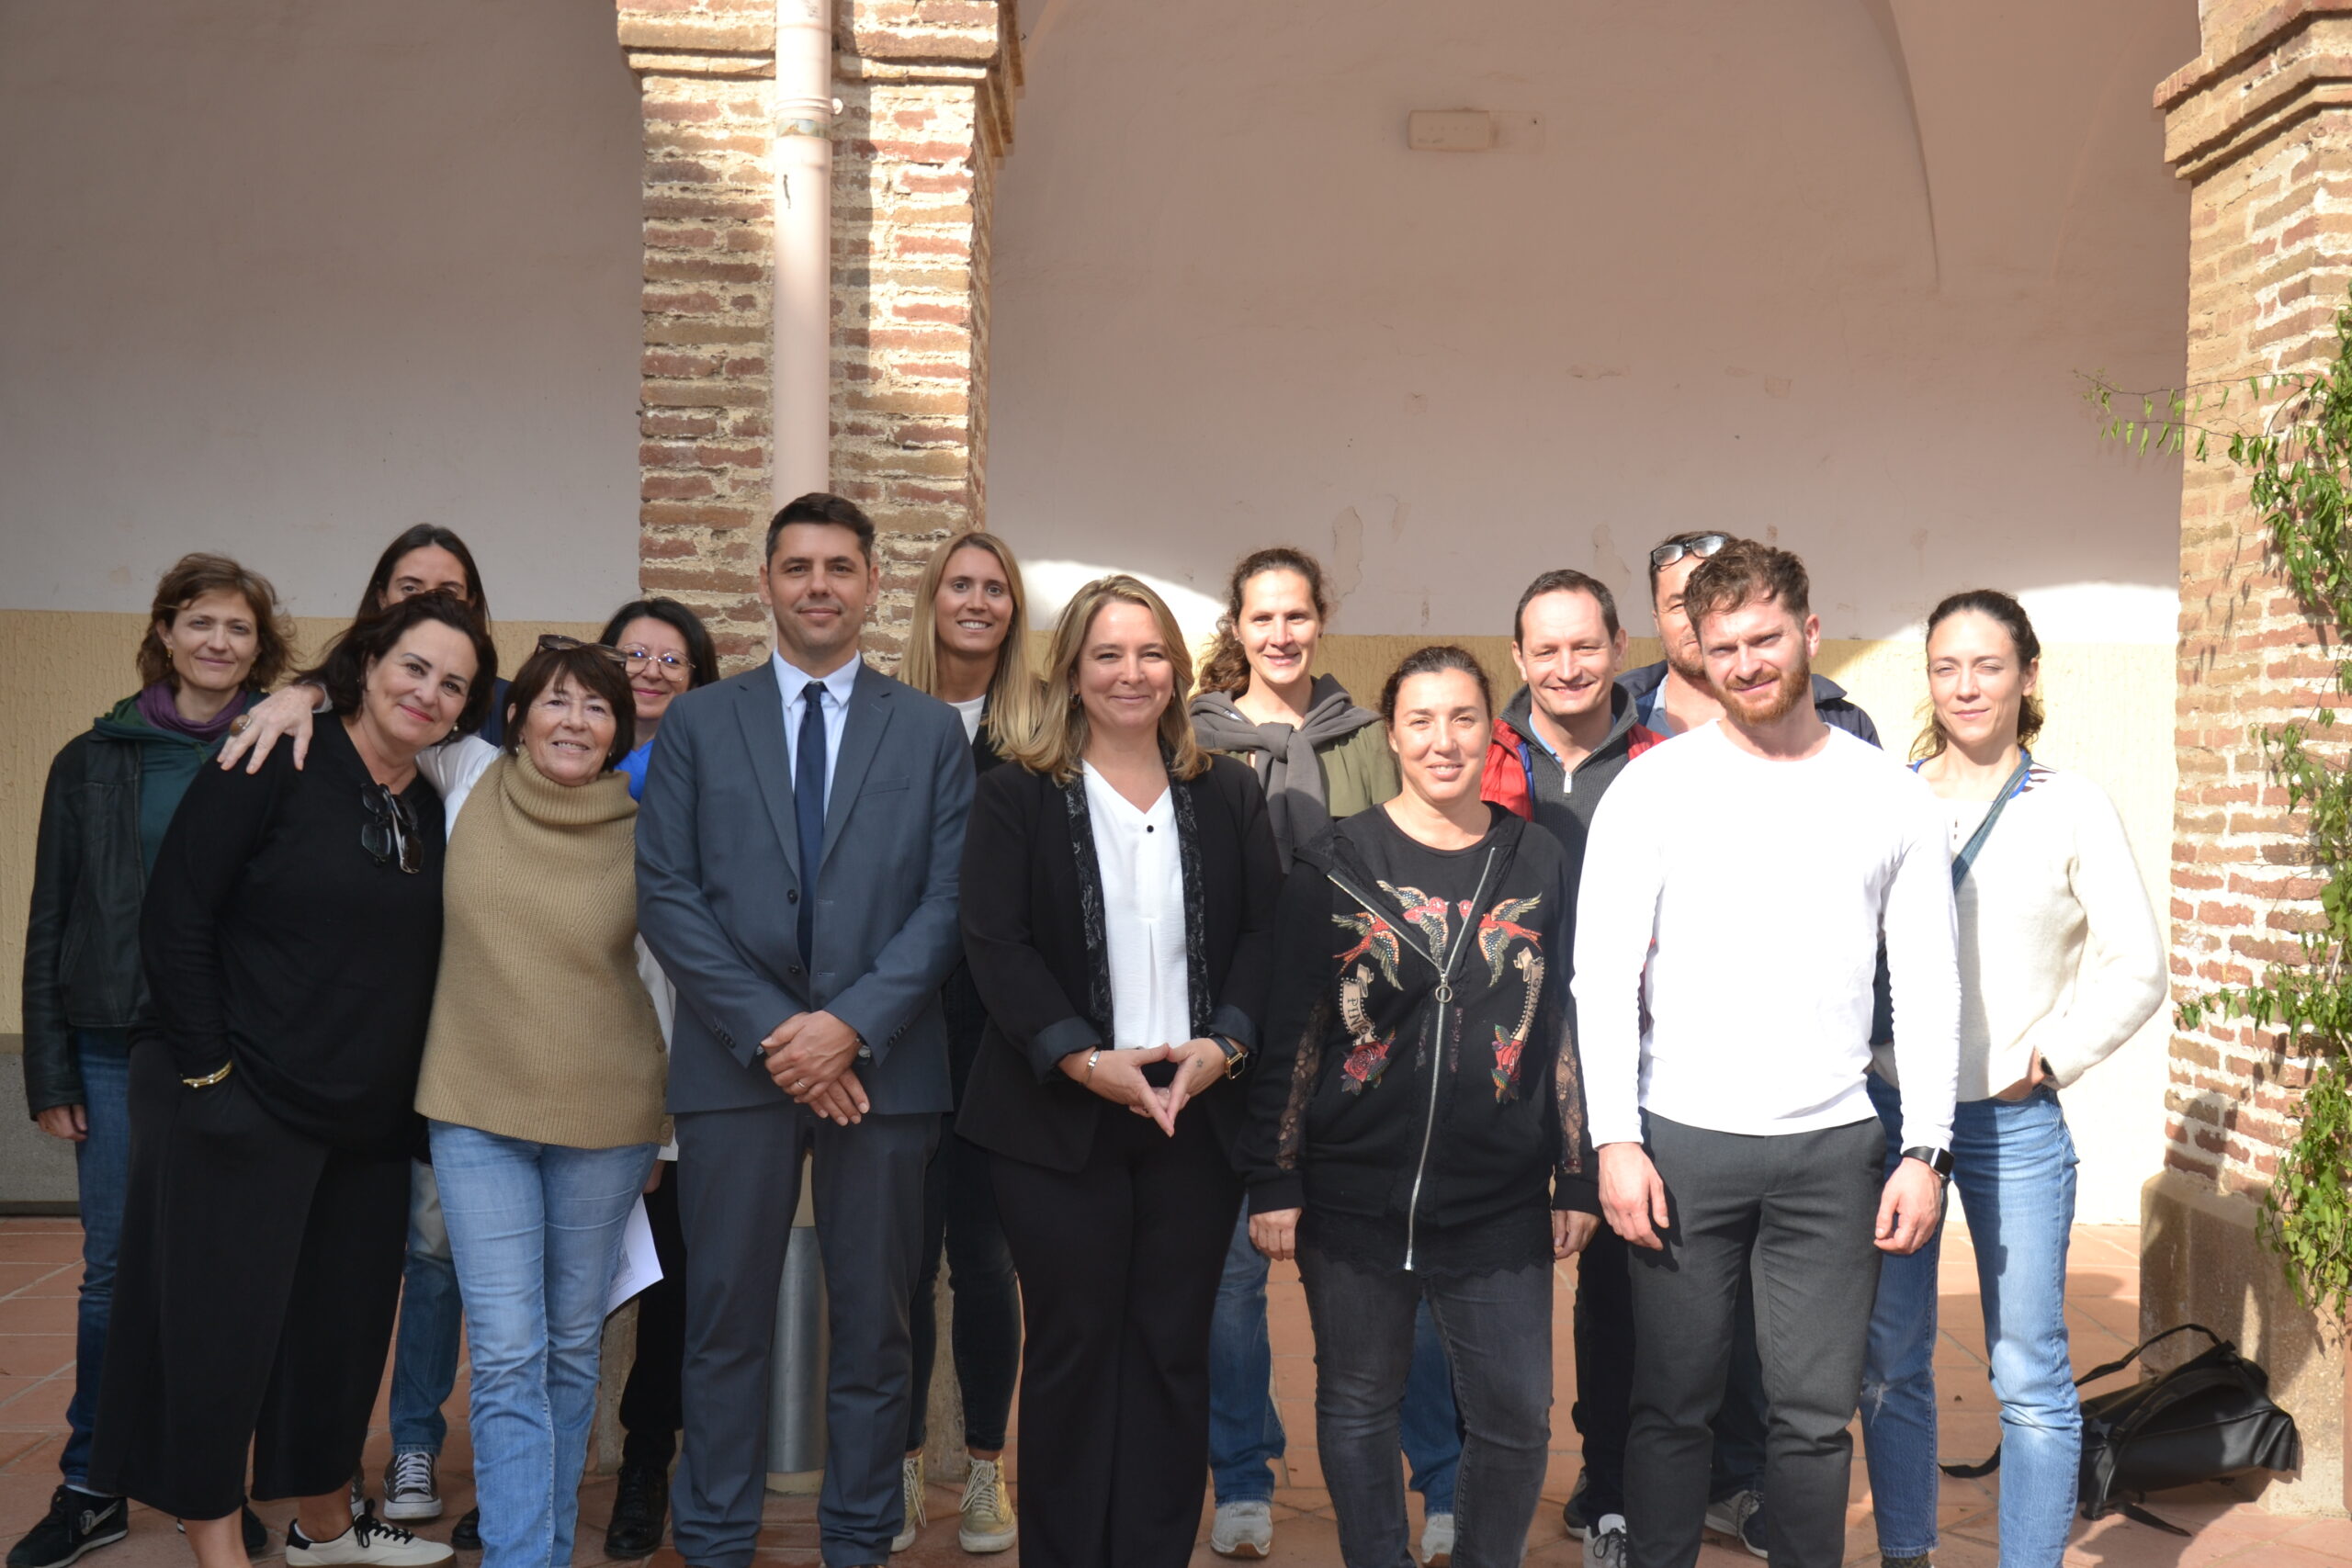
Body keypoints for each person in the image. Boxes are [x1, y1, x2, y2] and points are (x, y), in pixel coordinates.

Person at [89, 592, 498, 1568]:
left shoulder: (429, 801)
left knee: (339, 1341)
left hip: (362, 1126)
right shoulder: (275, 756)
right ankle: (216, 1541)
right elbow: (176, 916)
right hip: (238, 1101)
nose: (428, 693)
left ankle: (326, 1526)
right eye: (414, 667)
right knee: (217, 1338)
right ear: (367, 663)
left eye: (453, 684)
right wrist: (210, 1075)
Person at [1573, 540, 1960, 1568]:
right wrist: (1614, 1139)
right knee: (1671, 1408)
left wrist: (1926, 1149)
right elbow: (1600, 976)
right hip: (1682, 1144)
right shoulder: (1653, 788)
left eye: (1765, 638)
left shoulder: (1891, 796)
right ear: (1697, 653)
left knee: (1813, 1420)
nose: (1746, 663)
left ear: (1810, 632)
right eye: (1723, 646)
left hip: (1832, 1151)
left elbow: (1929, 984)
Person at [636, 492, 974, 1568]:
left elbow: (948, 902)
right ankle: (716, 1539)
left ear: (872, 584)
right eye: (796, 567)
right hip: (736, 1067)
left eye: (838, 567)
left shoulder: (928, 731)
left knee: (876, 1327)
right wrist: (788, 1034)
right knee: (722, 1322)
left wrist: (852, 1028)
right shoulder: (699, 722)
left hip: (887, 1070)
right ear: (766, 584)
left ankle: (858, 1541)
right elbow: (667, 895)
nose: (817, 586)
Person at [1239, 643, 1600, 1568]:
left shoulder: (1537, 857)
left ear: (1492, 732)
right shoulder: (1335, 859)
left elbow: (1561, 1022)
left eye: (1465, 718)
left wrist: (1577, 1172)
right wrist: (1274, 1175)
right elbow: (1296, 1026)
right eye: (1422, 721)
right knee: (1358, 1404)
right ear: (1392, 736)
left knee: (1516, 1416)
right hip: (1354, 1193)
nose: (1445, 740)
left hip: (1497, 1197)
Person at [956, 574, 1282, 1568]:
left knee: (1172, 1353)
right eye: (1107, 654)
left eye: (1149, 654)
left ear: (1177, 671)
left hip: (1193, 1116)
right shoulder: (1015, 793)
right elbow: (994, 941)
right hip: (1055, 1121)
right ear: (1070, 672)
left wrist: (1225, 1043)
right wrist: (1081, 1056)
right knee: (1072, 1350)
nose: (1130, 673)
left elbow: (1264, 935)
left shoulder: (1227, 791)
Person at [1860, 592, 2164, 1568]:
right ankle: (1907, 1551)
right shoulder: (1886, 795)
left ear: (2027, 675)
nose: (1965, 686)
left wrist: (2054, 1055)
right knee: (1889, 1359)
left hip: (2010, 1121)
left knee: (2029, 1374)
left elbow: (2138, 966)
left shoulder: (2072, 805)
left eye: (1987, 665)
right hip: (1889, 1114)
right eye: (1945, 666)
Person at [220, 522, 509, 1530]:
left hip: (408, 1073)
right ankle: (277, 1492)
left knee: (383, 1285)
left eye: (450, 591)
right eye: (407, 586)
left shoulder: (472, 736)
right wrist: (293, 694)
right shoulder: (305, 730)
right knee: (271, 1291)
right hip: (281, 1070)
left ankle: (361, 1478)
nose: (427, 604)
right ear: (376, 607)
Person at [14, 555, 292, 1568]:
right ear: (166, 632)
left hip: (241, 1046)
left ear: (261, 650)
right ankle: (93, 1483)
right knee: (114, 1272)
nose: (219, 642)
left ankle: (205, 1485)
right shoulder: (91, 760)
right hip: (111, 1042)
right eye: (201, 622)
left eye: (239, 628)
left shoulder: (286, 751)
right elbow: (52, 916)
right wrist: (49, 1070)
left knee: (221, 1276)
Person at [1189, 547, 1463, 1566]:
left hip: (1358, 1037)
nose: (1280, 634)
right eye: (1262, 617)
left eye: (1297, 615)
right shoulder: (1193, 740)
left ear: (1320, 620)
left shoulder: (1366, 739)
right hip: (1228, 1032)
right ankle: (1243, 1477)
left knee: (1398, 1279)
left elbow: (1408, 858)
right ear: (1237, 625)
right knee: (1230, 1283)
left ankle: (1442, 1480)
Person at [405, 637, 669, 1568]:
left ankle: (542, 1550)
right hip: (475, 1107)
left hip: (606, 1118)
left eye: (597, 708)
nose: (574, 721)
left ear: (618, 732)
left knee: (568, 1348)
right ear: (514, 715)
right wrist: (287, 700)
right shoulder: (466, 775)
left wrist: (665, 1128)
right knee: (508, 1350)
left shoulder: (646, 825)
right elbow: (382, 697)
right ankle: (523, 1555)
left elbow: (667, 973)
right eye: (555, 700)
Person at [1476, 570, 1659, 1568]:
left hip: (1631, 1052)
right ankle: (1469, 1482)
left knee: (1620, 1280)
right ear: (1518, 657)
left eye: (1585, 645)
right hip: (1504, 1052)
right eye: (1544, 649)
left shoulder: (1664, 763)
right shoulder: (1483, 754)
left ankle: (1609, 1480)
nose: (1567, 666)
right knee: (1486, 1273)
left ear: (1618, 645)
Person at [888, 532, 1045, 1556]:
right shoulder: (883, 715)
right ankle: (901, 1467)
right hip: (899, 1028)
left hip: (999, 1036)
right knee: (900, 1264)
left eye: (995, 588)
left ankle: (986, 1469)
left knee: (984, 1262)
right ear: (931, 599)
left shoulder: (1038, 728)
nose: (977, 602)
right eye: (960, 584)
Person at [595, 598, 720, 1562]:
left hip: (681, 1068)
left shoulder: (716, 782)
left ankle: (647, 1461)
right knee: (558, 1287)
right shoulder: (552, 768)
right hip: (571, 1069)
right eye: (632, 652)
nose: (649, 669)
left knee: (671, 1284)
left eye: (672, 659)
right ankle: (534, 1469)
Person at [1619, 530, 1879, 744]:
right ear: (1657, 620)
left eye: (1717, 601)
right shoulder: (1615, 718)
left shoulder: (1842, 722)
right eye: (1679, 605)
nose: (1698, 619)